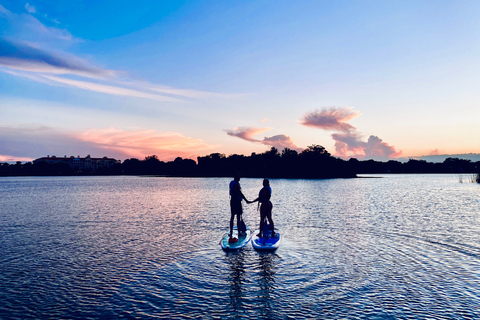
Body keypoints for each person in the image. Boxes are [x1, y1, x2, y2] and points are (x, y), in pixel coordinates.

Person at [229, 172, 250, 239]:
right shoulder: (236, 184)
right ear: (236, 177)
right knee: (238, 217)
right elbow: (240, 193)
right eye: (239, 176)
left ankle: (231, 232)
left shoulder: (231, 183)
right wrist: (246, 200)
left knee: (232, 216)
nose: (240, 177)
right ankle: (239, 233)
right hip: (236, 201)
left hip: (232, 201)